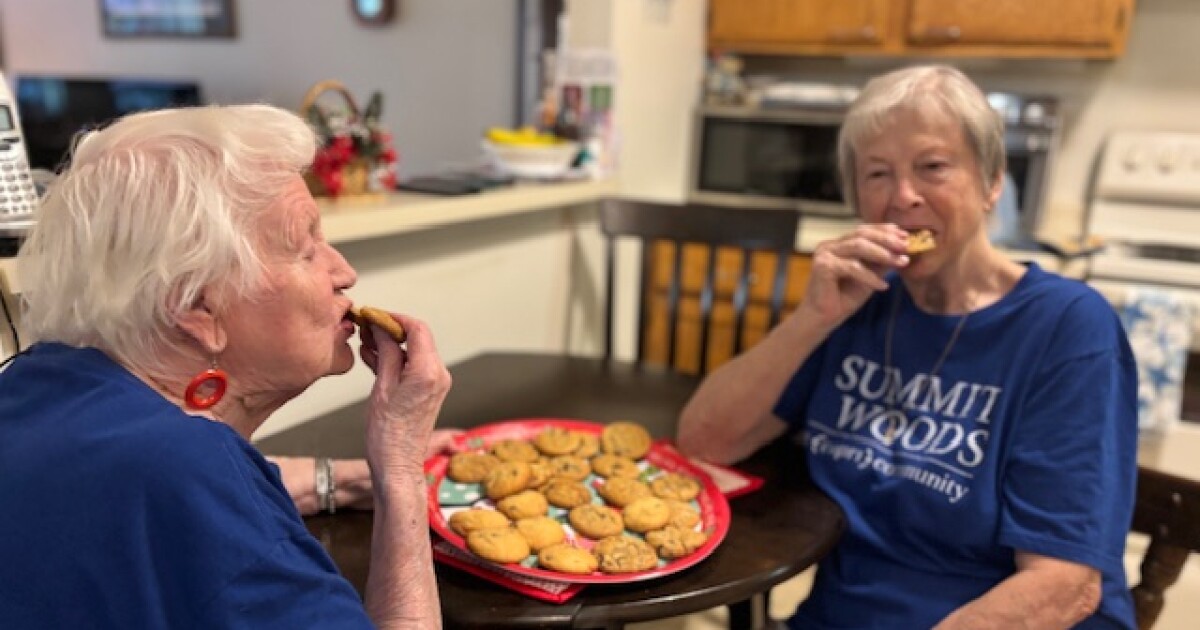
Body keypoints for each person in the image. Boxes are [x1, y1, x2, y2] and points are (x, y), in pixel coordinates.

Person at [677, 65, 1138, 630]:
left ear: (993, 180)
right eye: (877, 173)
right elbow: (705, 441)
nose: (903, 197)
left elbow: (1065, 584)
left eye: (933, 166)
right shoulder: (857, 302)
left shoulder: (1067, 326)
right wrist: (810, 320)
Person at [0, 104, 453, 629]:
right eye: (306, 250)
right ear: (196, 307)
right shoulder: (191, 473)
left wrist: (350, 480)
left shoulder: (38, 380)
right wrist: (400, 473)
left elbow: (172, 498)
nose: (344, 272)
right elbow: (195, 493)